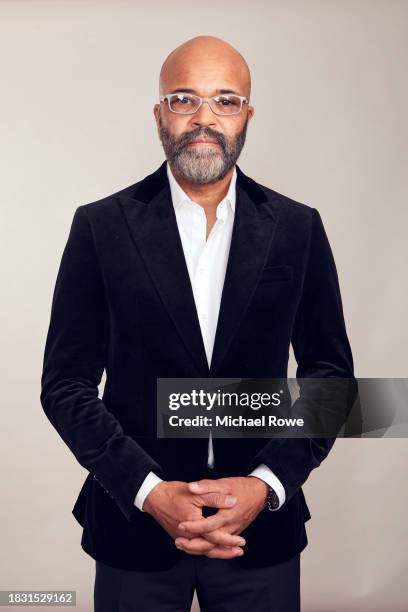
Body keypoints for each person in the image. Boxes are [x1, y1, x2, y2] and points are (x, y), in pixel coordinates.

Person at [40, 35, 355, 612]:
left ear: (247, 116)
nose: (204, 118)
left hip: (259, 538)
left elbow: (331, 380)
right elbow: (65, 385)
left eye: (226, 101)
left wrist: (267, 485)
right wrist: (150, 492)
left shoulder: (297, 228)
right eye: (184, 99)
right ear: (160, 113)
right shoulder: (100, 227)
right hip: (134, 533)